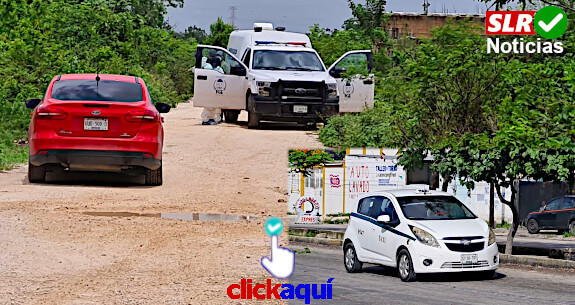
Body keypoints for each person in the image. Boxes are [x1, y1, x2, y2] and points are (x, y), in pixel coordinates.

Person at [200, 53, 224, 125]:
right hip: (213, 89)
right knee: (211, 106)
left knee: (213, 106)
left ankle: (211, 119)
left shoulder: (210, 67)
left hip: (210, 89)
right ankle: (207, 119)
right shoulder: (213, 68)